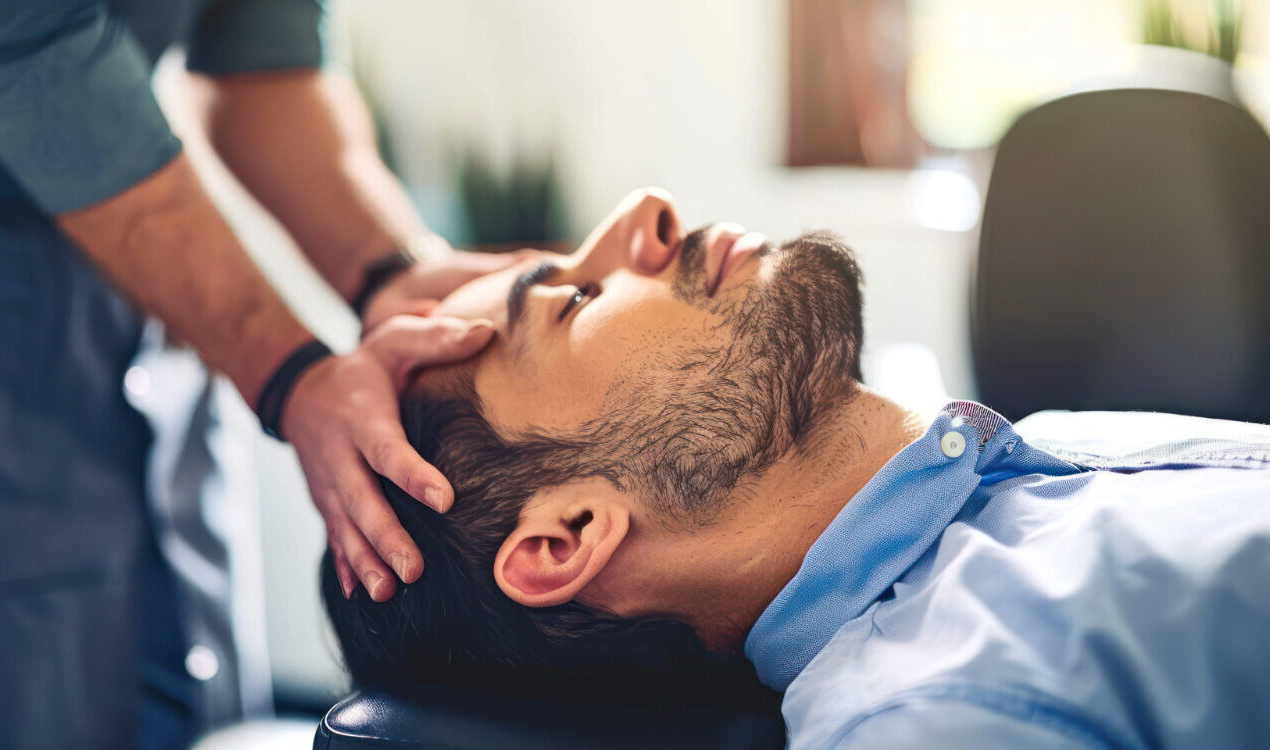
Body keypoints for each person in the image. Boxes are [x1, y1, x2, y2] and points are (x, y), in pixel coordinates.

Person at [322, 188, 1270, 748]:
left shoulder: (1058, 442)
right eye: (574, 299)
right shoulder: (944, 713)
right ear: (567, 535)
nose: (646, 211)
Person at [0, 1, 517, 748]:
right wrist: (292, 373)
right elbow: (25, 50)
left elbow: (262, 61)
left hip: (131, 260)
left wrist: (389, 272)